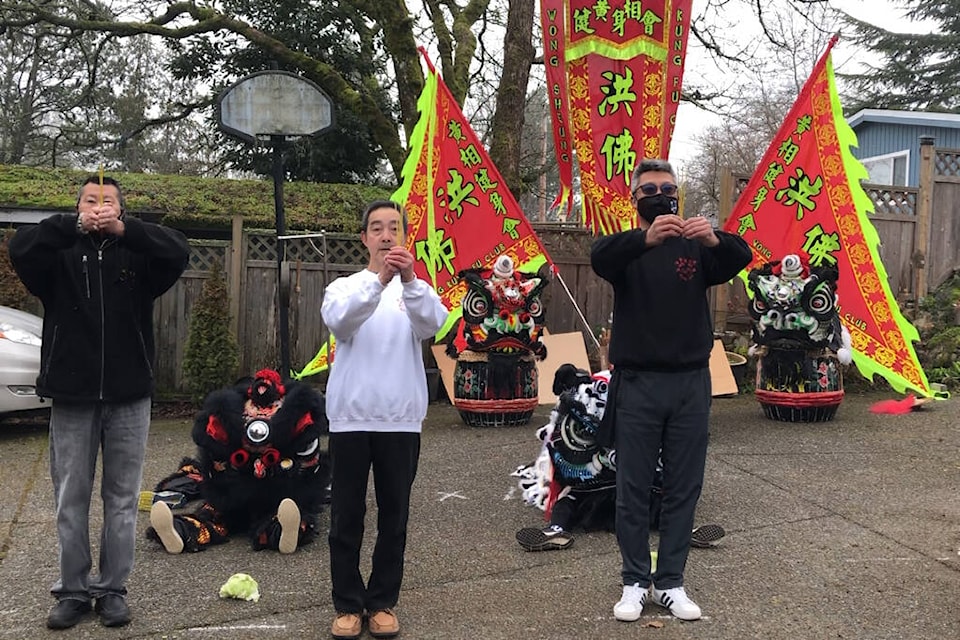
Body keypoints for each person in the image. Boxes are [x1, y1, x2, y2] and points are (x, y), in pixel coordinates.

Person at [8, 175, 189, 630]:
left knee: (122, 498)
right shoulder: (57, 258)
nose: (99, 206)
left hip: (129, 396)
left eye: (108, 201)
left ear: (121, 211)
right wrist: (70, 226)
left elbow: (179, 251)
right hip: (72, 397)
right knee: (71, 497)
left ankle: (112, 589)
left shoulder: (138, 256)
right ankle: (72, 590)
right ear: (78, 207)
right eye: (90, 200)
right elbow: (20, 249)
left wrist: (129, 231)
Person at [590, 159, 750, 623]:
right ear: (636, 198)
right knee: (633, 488)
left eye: (668, 187)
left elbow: (742, 257)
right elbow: (600, 255)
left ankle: (672, 581)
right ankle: (634, 580)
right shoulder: (627, 249)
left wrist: (713, 237)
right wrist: (645, 237)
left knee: (684, 487)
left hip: (690, 383)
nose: (661, 195)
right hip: (638, 383)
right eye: (650, 189)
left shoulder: (696, 245)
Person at [321, 200, 449, 640]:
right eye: (376, 228)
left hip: (400, 421)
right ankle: (347, 605)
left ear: (404, 236)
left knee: (395, 515)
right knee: (346, 516)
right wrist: (379, 281)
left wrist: (409, 279)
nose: (386, 235)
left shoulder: (417, 290)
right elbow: (341, 323)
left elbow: (434, 323)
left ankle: (381, 602)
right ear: (364, 238)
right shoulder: (345, 287)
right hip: (350, 420)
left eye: (394, 227)